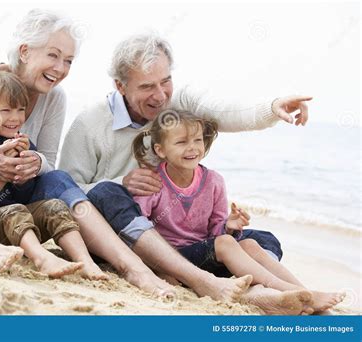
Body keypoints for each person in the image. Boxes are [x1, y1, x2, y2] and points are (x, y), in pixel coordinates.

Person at [0, 10, 179, 298]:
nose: (61, 68)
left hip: (14, 211)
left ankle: (131, 267)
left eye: (68, 60)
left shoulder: (54, 97)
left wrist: (36, 162)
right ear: (25, 51)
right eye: (53, 55)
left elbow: (49, 163)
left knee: (58, 178)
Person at [59, 33, 320, 313]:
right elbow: (67, 193)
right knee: (107, 192)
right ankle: (200, 279)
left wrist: (272, 108)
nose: (160, 96)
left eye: (166, 81)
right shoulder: (90, 123)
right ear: (120, 86)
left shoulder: (179, 104)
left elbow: (225, 111)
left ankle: (258, 290)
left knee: (263, 240)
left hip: (180, 243)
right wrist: (121, 183)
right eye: (147, 86)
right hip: (124, 238)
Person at [131, 109, 345, 313]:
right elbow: (141, 231)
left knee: (249, 244)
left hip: (206, 256)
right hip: (173, 258)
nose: (193, 148)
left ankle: (302, 290)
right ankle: (292, 291)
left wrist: (228, 226)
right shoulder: (151, 182)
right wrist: (160, 268)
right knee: (225, 243)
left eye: (197, 140)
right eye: (181, 142)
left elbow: (215, 234)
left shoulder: (213, 181)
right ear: (160, 150)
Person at [0, 71, 111, 279]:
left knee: (55, 206)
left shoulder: (24, 144)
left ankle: (84, 260)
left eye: (21, 110)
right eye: (6, 110)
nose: (16, 118)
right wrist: (1, 175)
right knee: (14, 209)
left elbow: (28, 194)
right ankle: (41, 258)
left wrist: (25, 176)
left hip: (23, 227)